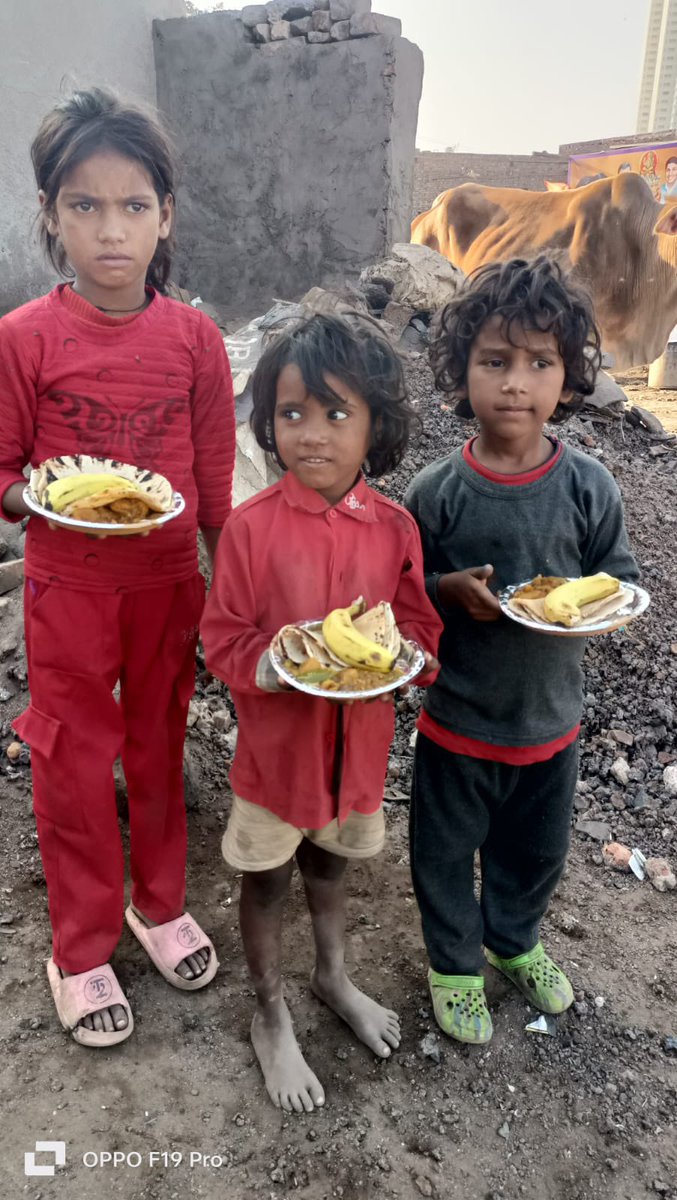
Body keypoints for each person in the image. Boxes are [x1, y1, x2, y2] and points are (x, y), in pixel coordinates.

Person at [0, 88, 235, 1046]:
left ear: (165, 216)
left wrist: (233, 591)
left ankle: (159, 898)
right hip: (68, 590)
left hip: (168, 586)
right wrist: (37, 497)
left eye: (134, 206)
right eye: (85, 206)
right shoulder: (23, 338)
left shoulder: (194, 341)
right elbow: (4, 470)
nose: (110, 230)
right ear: (52, 214)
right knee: (71, 761)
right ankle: (83, 944)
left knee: (157, 744)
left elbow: (215, 485)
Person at [201, 313, 442, 1112]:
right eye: (292, 412)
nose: (311, 434)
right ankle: (269, 1014)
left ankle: (332, 975)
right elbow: (222, 638)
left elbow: (418, 629)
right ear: (267, 421)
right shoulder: (250, 528)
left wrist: (408, 662)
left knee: (332, 869)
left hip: (358, 755)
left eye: (336, 414)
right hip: (275, 760)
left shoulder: (394, 528)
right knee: (266, 881)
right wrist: (272, 663)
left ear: (375, 425)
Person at [404, 257, 639, 1045]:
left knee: (534, 853)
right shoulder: (437, 491)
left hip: (550, 723)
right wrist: (444, 591)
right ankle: (453, 964)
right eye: (494, 361)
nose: (515, 383)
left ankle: (512, 940)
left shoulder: (588, 488)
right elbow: (405, 594)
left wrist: (591, 615)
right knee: (441, 854)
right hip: (457, 724)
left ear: (567, 378)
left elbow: (619, 580)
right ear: (460, 369)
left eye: (539, 363)